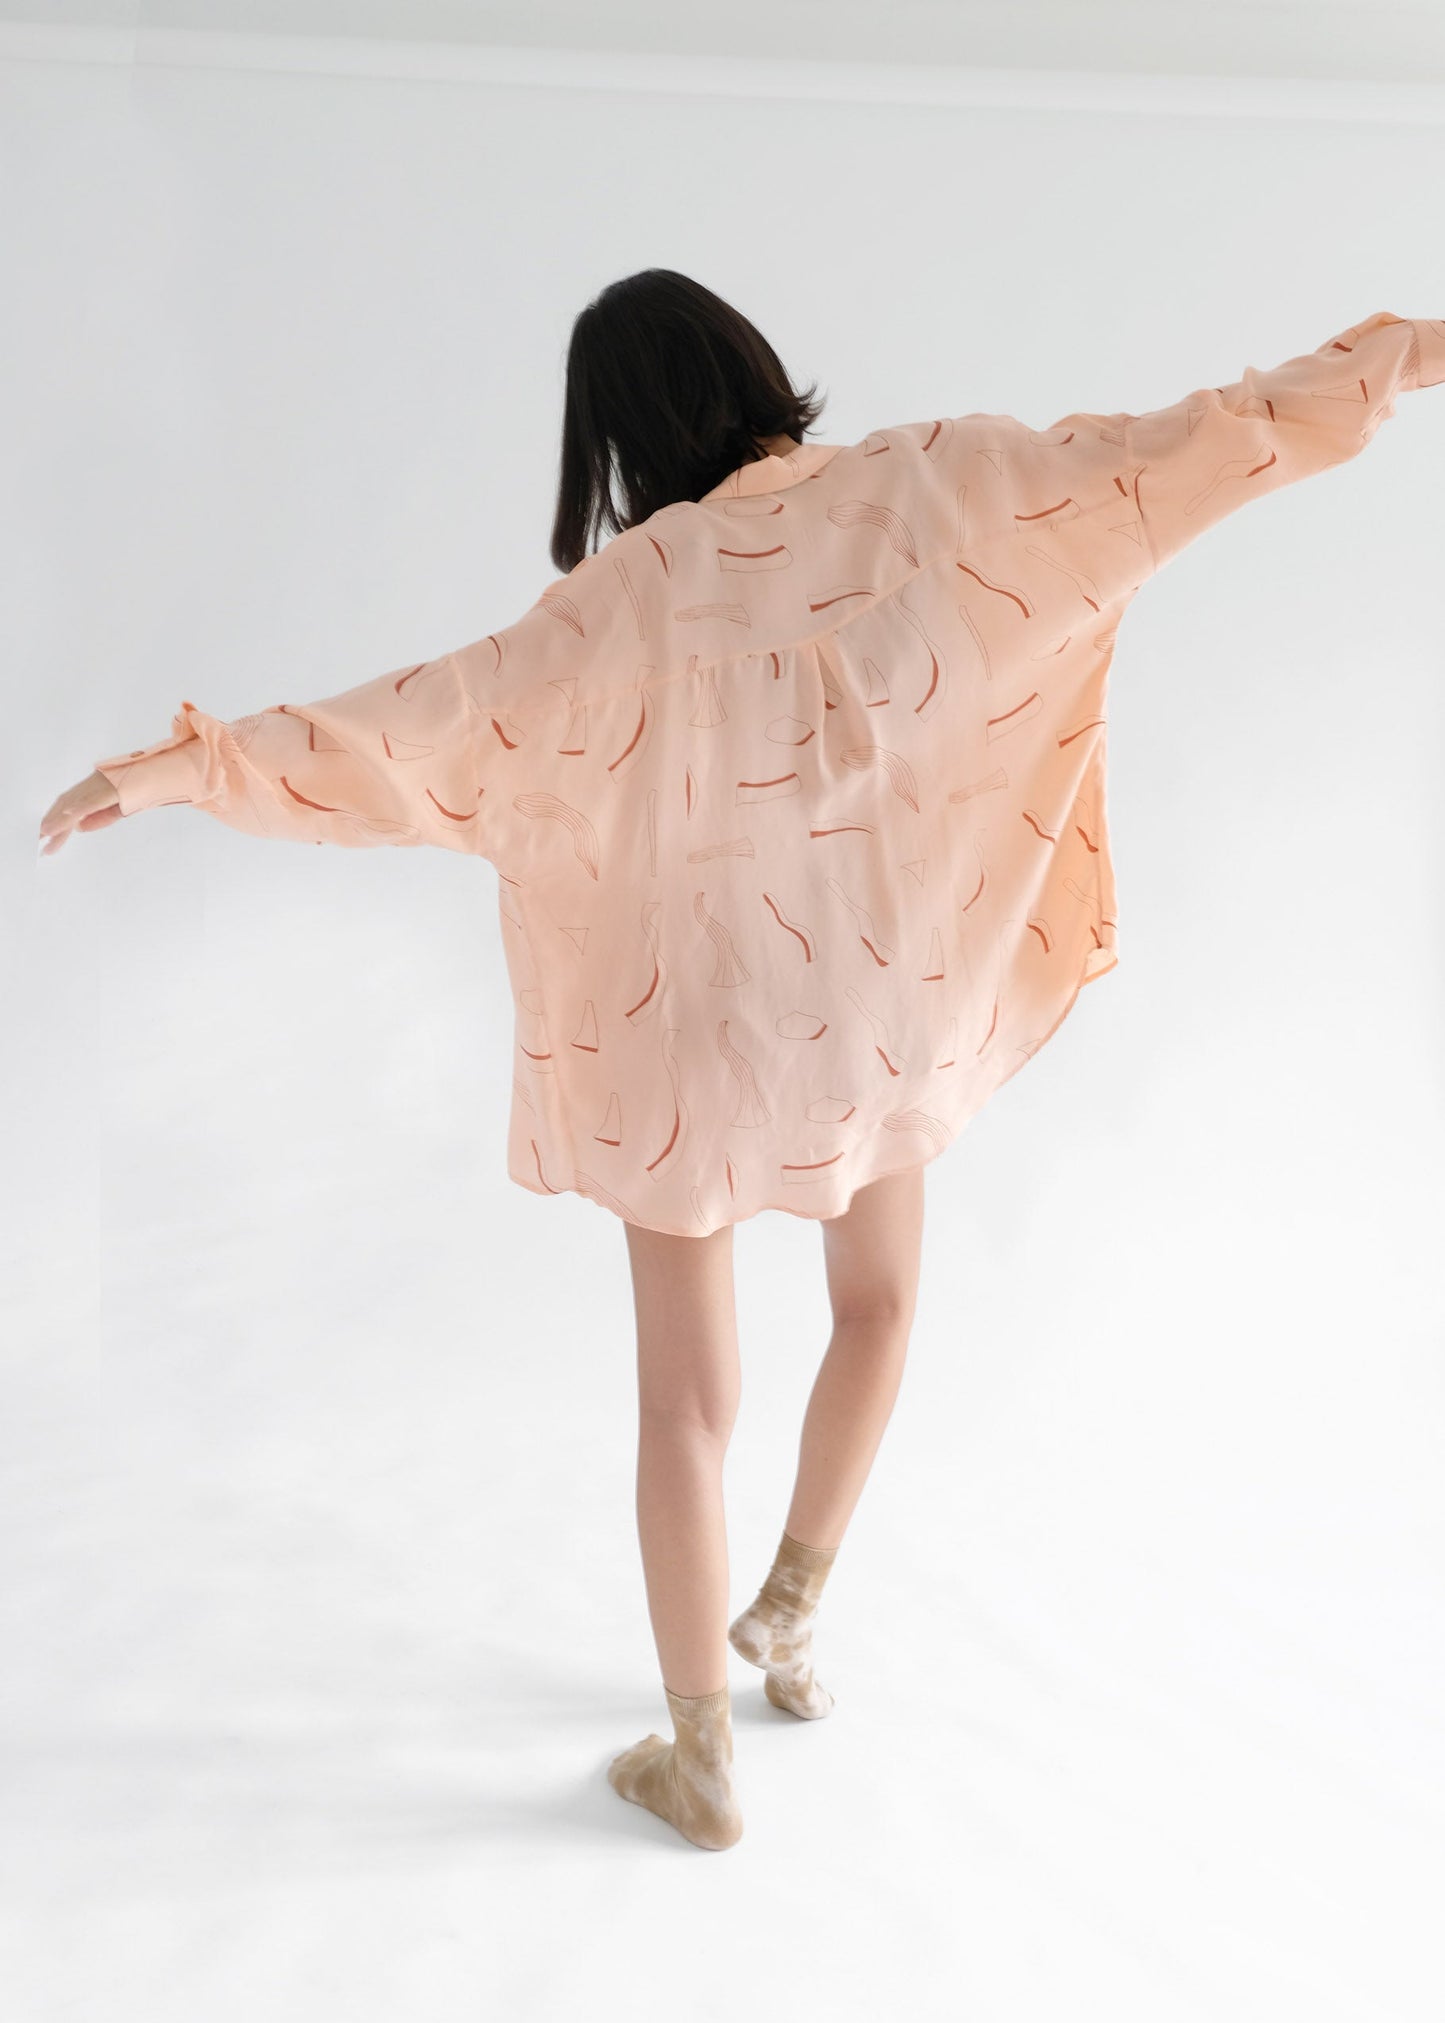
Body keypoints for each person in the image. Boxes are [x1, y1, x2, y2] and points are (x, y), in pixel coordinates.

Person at [39, 272, 1444, 1852]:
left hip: (678, 1033)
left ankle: (697, 1755)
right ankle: (788, 1605)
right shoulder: (935, 482)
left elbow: (406, 734)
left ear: (613, 440)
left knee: (683, 1405)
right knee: (883, 1301)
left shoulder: (613, 603)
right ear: (754, 370)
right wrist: (1402, 355)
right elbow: (1188, 448)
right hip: (870, 1004)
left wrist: (179, 767)